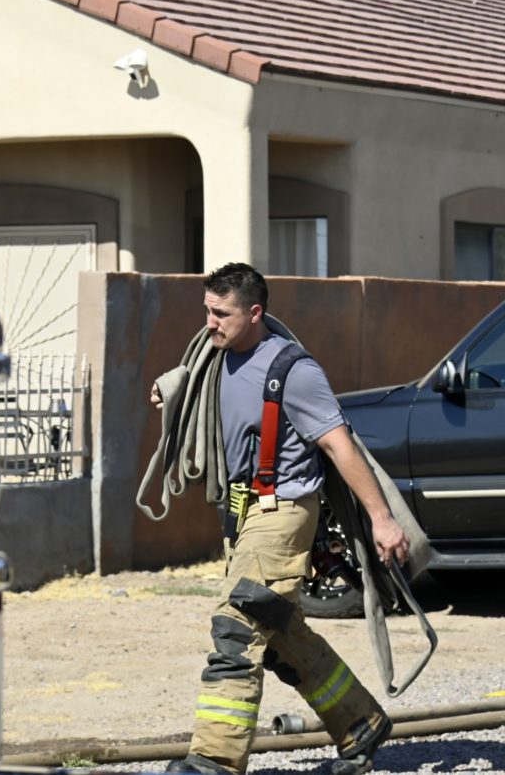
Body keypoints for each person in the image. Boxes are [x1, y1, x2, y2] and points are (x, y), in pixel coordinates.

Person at [150, 262, 410, 775]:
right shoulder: (215, 356)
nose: (209, 322)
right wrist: (172, 392)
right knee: (280, 633)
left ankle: (214, 760)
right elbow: (203, 395)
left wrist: (382, 519)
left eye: (221, 313)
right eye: (207, 310)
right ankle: (359, 721)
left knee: (237, 626)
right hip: (241, 512)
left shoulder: (294, 371)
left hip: (283, 510)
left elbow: (339, 446)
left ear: (254, 313)